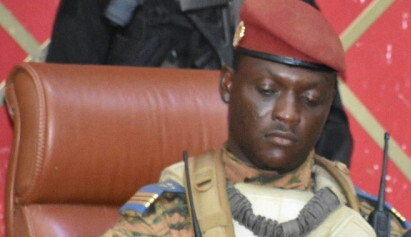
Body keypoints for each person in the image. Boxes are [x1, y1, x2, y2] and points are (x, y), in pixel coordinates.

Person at [80, 0, 411, 237]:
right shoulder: (168, 216)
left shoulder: (370, 228)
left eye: (310, 99)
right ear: (229, 84)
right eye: (267, 90)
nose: (288, 114)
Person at [46, 0, 353, 167]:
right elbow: (60, 120)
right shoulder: (97, 8)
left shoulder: (281, 9)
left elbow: (328, 135)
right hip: (124, 208)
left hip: (247, 208)